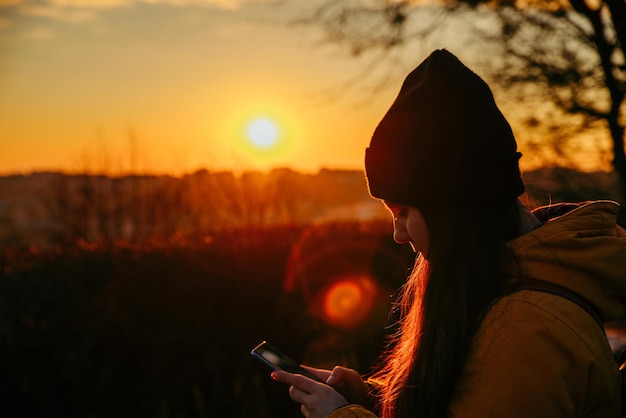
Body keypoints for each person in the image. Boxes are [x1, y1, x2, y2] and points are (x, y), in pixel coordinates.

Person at [271, 49, 626, 417]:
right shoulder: (507, 291)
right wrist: (372, 400)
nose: (398, 234)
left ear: (452, 207)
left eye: (403, 211)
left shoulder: (526, 330)